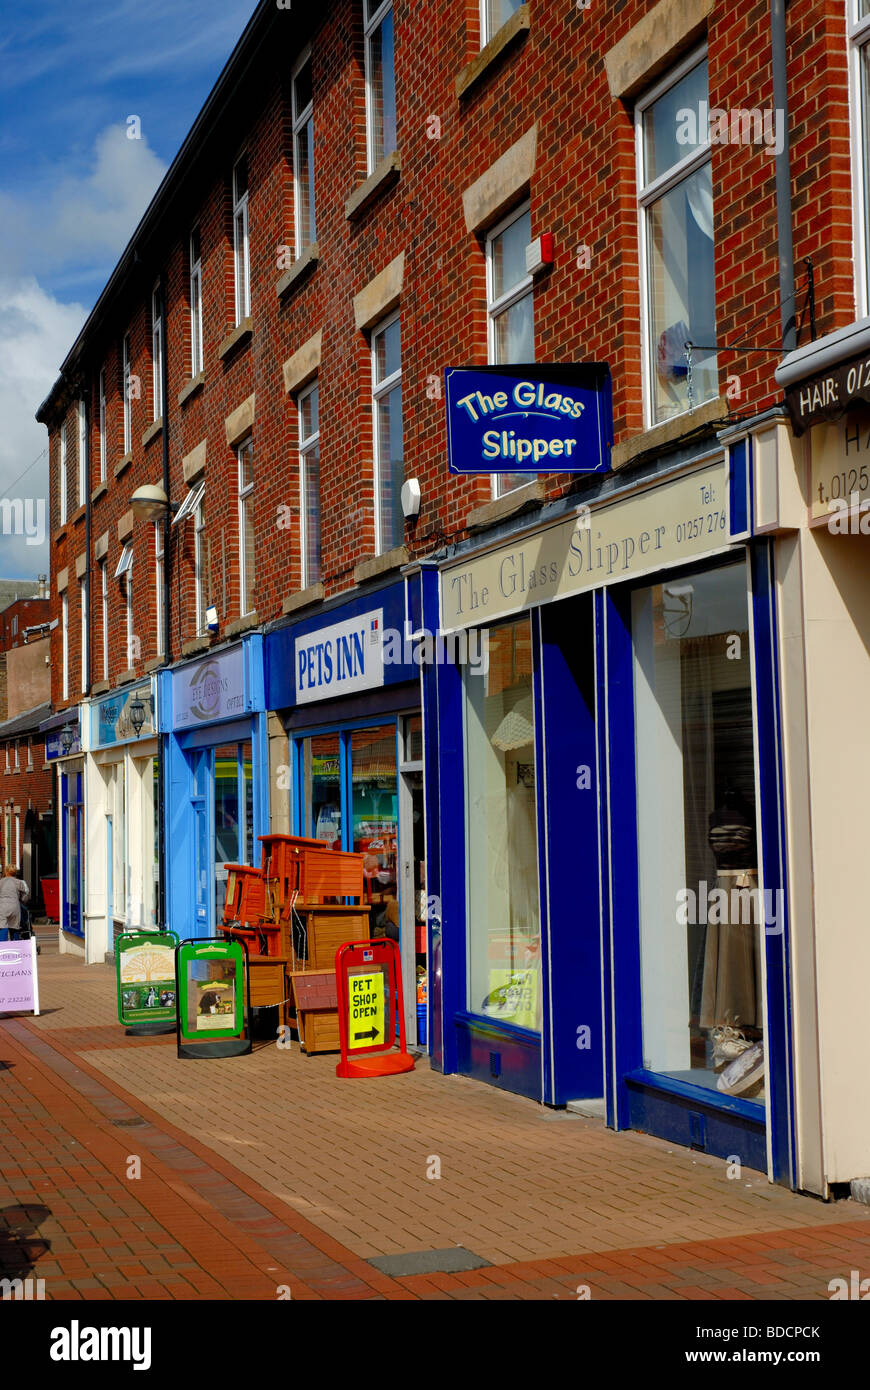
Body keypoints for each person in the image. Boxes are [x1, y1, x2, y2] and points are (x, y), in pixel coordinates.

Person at [0, 865, 30, 942]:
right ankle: (16, 945)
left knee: (3, 927)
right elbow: (24, 896)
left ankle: (3, 948)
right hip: (15, 906)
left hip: (2, 907)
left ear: (6, 872)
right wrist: (22, 900)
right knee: (14, 927)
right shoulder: (19, 882)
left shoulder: (1, 882)